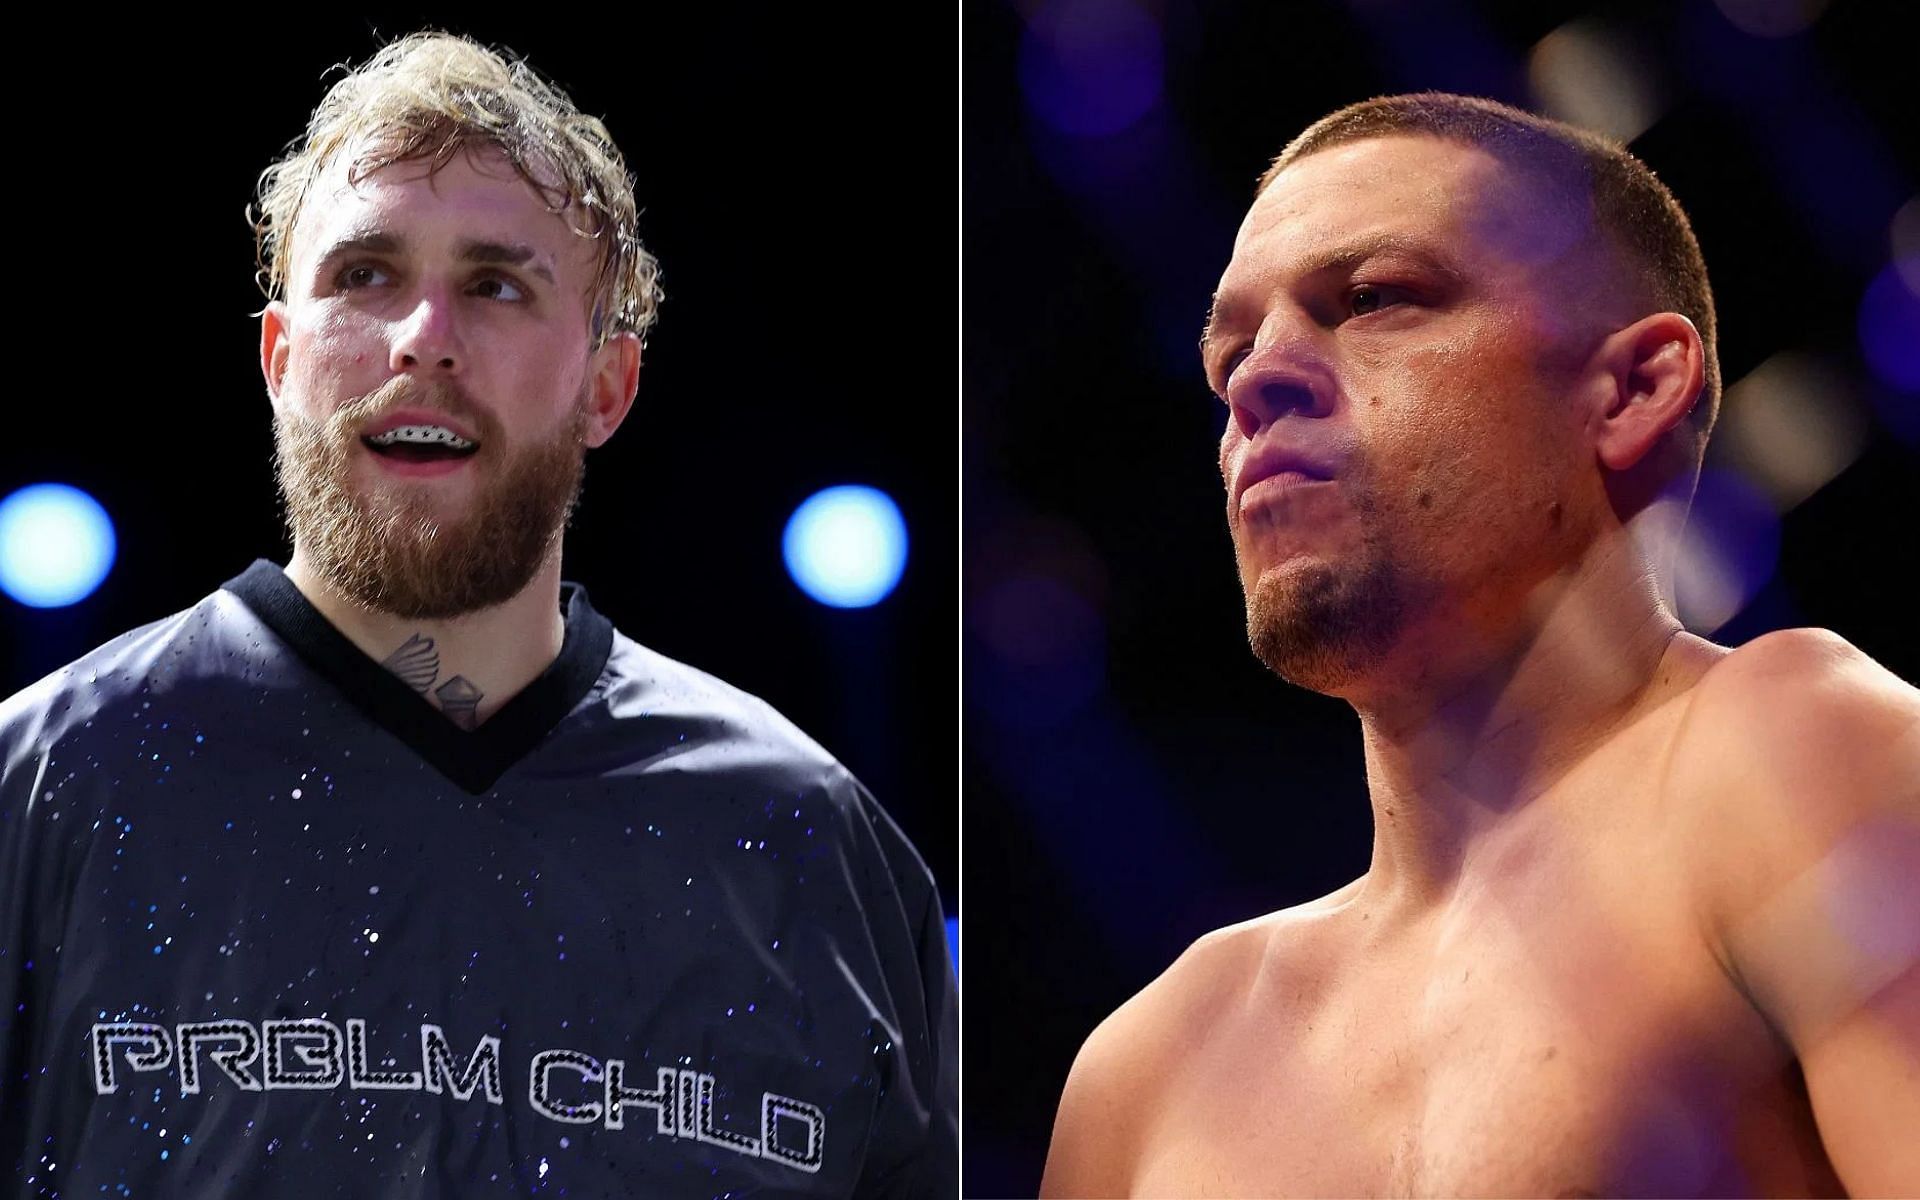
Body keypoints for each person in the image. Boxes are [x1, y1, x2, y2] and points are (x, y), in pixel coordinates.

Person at [0, 32, 955, 1197]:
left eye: (496, 285)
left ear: (609, 386)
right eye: (365, 275)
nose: (423, 338)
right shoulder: (42, 791)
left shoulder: (816, 850)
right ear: (279, 358)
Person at [1040, 92, 1917, 1197]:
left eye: (1370, 299)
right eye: (1228, 358)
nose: (1257, 381)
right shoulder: (1149, 1072)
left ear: (1633, 388)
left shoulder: (1796, 755)